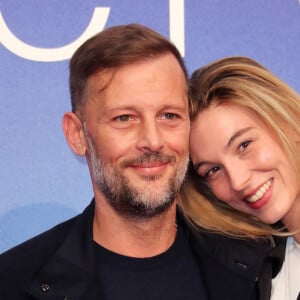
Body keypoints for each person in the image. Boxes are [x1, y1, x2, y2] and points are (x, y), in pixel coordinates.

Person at [0, 26, 270, 300]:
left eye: (169, 116)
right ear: (77, 134)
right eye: (124, 118)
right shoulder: (13, 282)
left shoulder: (257, 267)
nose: (152, 141)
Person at [180, 56, 300, 300]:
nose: (237, 181)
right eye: (213, 170)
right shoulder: (264, 272)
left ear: (288, 120)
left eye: (244, 145)